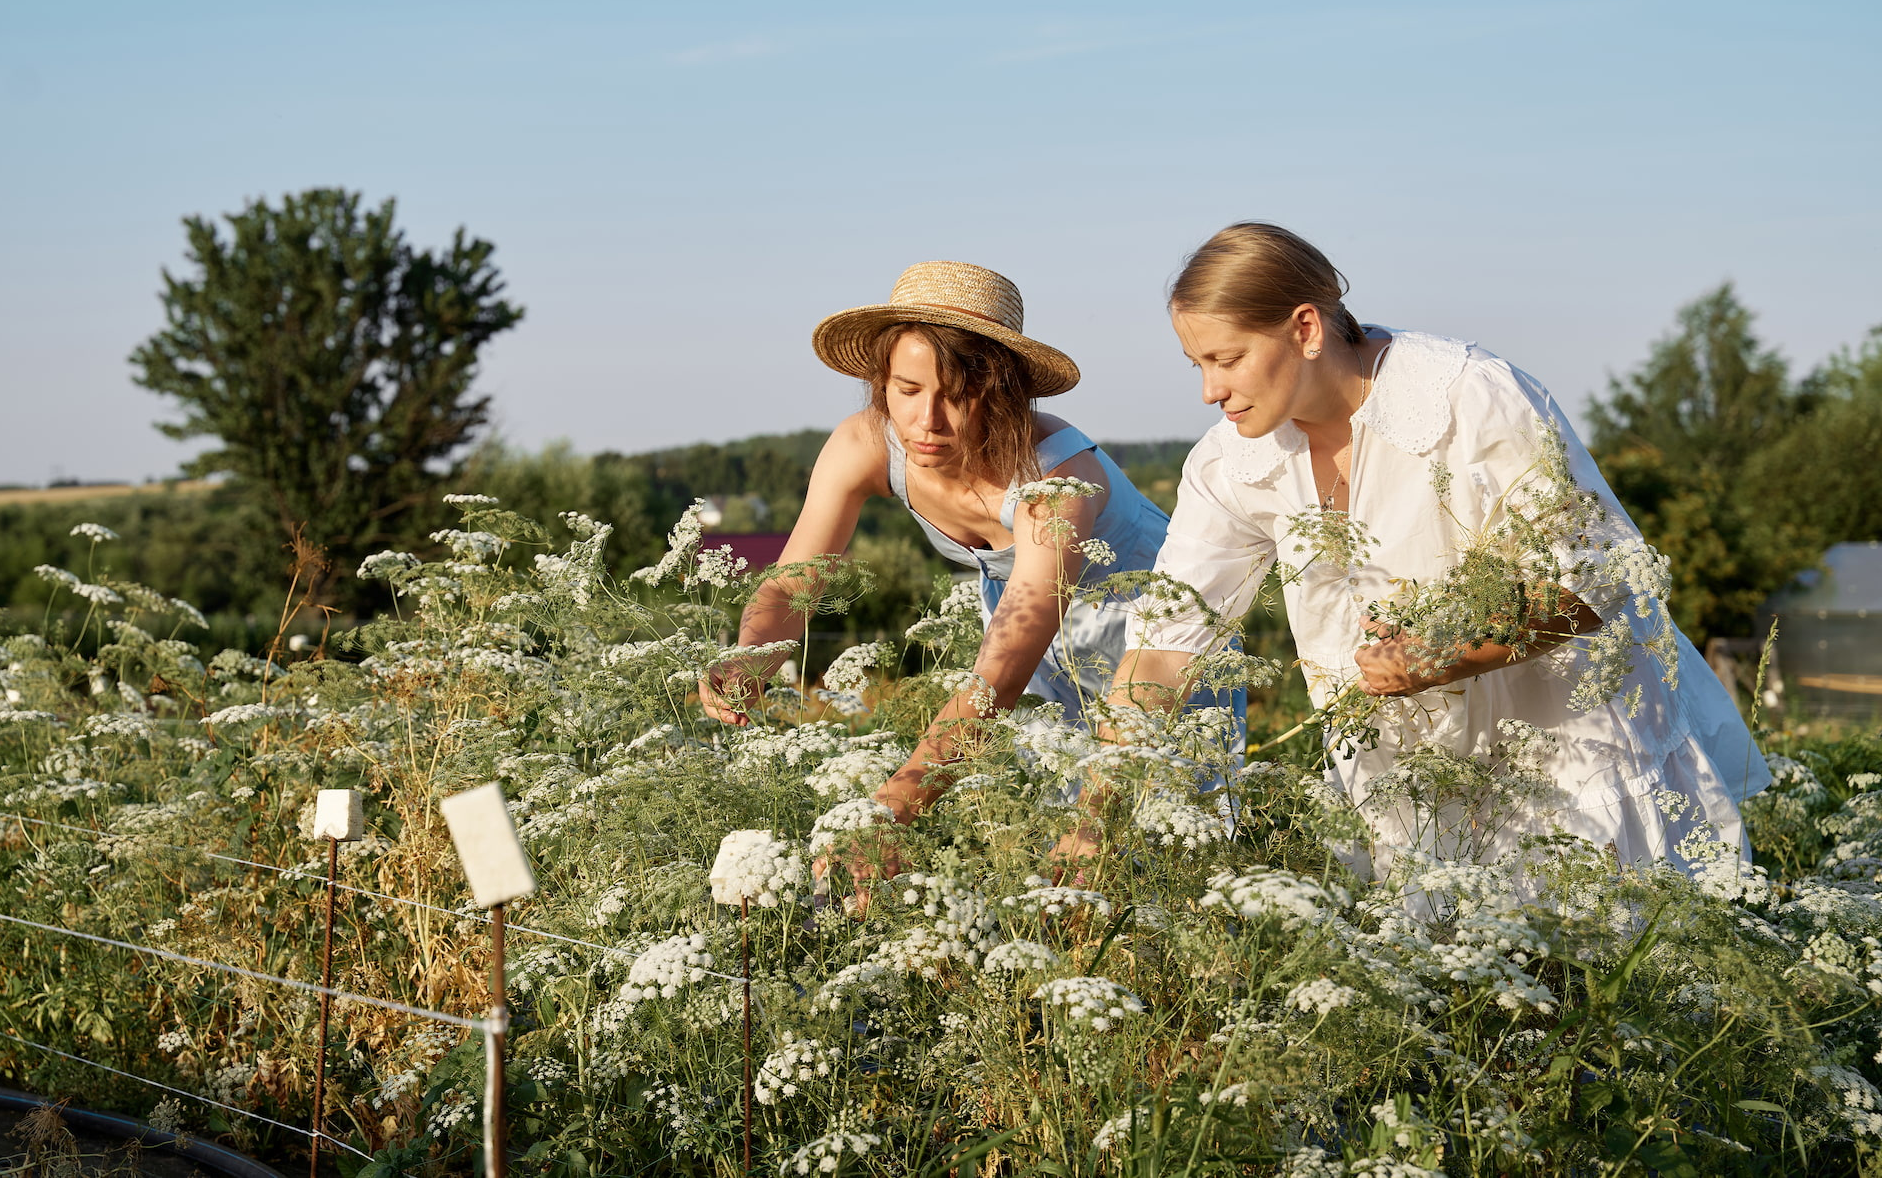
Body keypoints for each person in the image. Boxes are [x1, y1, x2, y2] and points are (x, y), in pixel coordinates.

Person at [1094, 222, 1769, 878]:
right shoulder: (1227, 462)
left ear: (1304, 328)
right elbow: (1164, 644)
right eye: (1198, 364)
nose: (1209, 390)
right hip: (1407, 791)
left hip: (1573, 754)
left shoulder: (1468, 395)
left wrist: (1435, 656)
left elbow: (1593, 576)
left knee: (1615, 980)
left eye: (1227, 358)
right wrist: (1093, 818)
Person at [699, 260, 1244, 870]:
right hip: (1023, 630)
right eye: (907, 391)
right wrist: (746, 658)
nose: (926, 421)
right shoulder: (861, 445)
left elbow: (1000, 678)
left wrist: (893, 806)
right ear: (881, 382)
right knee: (1043, 844)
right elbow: (790, 586)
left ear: (1004, 392)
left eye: (958, 396)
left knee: (1168, 841)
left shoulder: (1056, 478)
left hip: (1152, 636)